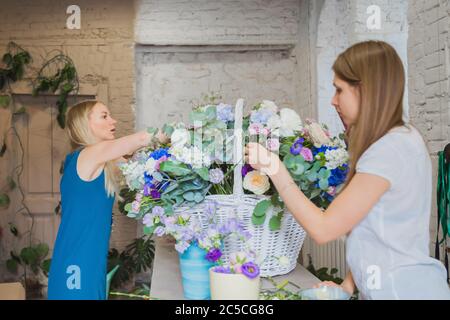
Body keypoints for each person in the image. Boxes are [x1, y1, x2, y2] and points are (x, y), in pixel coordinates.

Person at [244, 40, 450, 299]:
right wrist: (347, 285)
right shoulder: (400, 140)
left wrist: (275, 169)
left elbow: (323, 229)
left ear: (366, 91)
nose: (333, 101)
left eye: (339, 90)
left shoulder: (391, 148)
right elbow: (374, 230)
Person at [47, 100, 163, 300]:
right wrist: (181, 134)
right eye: (104, 116)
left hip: (91, 260)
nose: (113, 121)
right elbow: (142, 139)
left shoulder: (99, 161)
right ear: (86, 123)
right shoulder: (88, 155)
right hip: (76, 263)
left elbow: (133, 159)